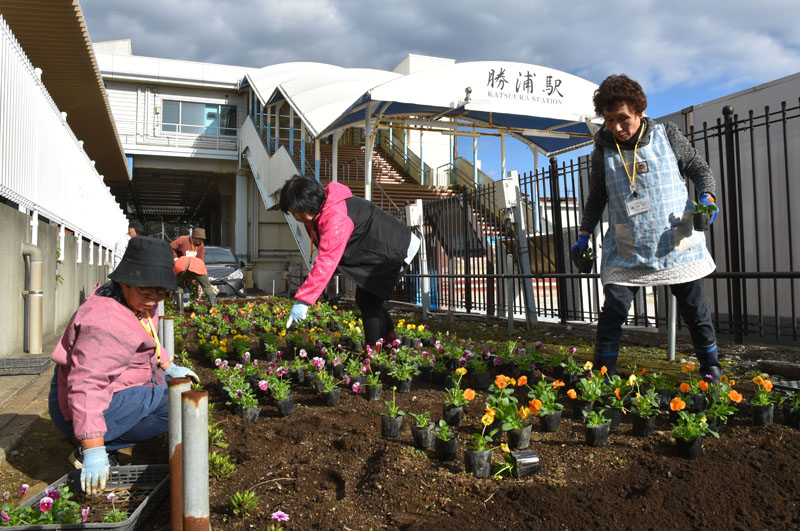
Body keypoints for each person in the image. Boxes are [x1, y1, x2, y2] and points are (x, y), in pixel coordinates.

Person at [572, 74, 722, 381]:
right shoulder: (602, 148)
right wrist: (584, 234)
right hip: (628, 244)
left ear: (640, 111)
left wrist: (707, 196)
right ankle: (603, 377)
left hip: (676, 239)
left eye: (623, 119)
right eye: (609, 120)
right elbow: (597, 196)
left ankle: (713, 371)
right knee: (613, 310)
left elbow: (699, 169)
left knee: (695, 309)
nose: (616, 127)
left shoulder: (667, 135)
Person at [49, 236, 199, 495]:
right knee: (175, 406)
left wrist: (167, 364)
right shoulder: (105, 322)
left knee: (173, 391)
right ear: (124, 281)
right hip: (82, 402)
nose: (153, 299)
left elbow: (147, 334)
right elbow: (87, 387)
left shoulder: (129, 299)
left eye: (160, 292)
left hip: (112, 387)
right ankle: (93, 447)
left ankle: (101, 437)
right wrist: (93, 449)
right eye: (146, 291)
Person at [278, 175, 420, 347]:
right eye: (292, 212)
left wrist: (304, 300)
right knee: (369, 297)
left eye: (296, 212)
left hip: (395, 247)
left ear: (309, 203)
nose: (296, 217)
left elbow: (327, 258)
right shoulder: (324, 209)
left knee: (369, 300)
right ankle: (390, 341)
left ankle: (374, 351)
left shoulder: (335, 217)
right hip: (383, 248)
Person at [170, 228, 216, 305]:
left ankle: (214, 308)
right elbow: (170, 247)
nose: (201, 241)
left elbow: (201, 259)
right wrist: (175, 259)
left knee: (206, 285)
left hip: (195, 266)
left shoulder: (201, 245)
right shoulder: (183, 239)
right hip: (181, 264)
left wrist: (200, 273)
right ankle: (180, 309)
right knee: (179, 285)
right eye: (200, 239)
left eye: (202, 239)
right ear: (194, 237)